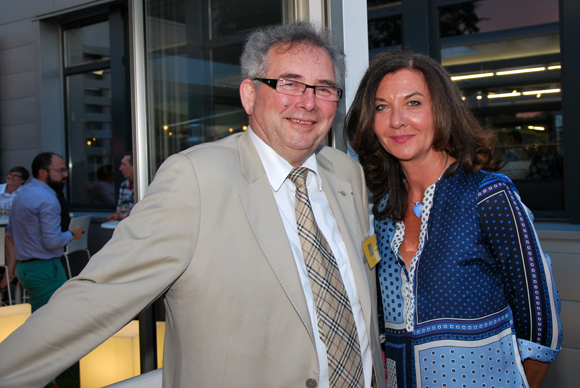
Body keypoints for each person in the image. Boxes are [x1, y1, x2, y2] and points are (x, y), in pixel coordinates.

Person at [0, 22, 386, 388]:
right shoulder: (196, 179)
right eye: (290, 83)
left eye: (324, 88)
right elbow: (97, 295)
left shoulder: (344, 175)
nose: (308, 102)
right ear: (249, 94)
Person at [345, 50, 563, 388]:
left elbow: (541, 322)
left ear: (441, 110)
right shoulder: (379, 210)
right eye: (381, 107)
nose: (397, 120)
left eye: (413, 103)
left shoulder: (488, 195)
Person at [3, 152, 83, 313]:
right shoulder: (47, 199)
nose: (65, 174)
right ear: (43, 172)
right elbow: (52, 241)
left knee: (43, 317)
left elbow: (10, 234)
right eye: (60, 170)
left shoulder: (20, 195)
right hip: (44, 268)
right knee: (50, 318)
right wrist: (72, 234)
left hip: (25, 268)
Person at [108, 153, 135, 221]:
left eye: (124, 165)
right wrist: (117, 216)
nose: (120, 168)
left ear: (134, 166)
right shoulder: (124, 185)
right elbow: (119, 209)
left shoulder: (147, 183)